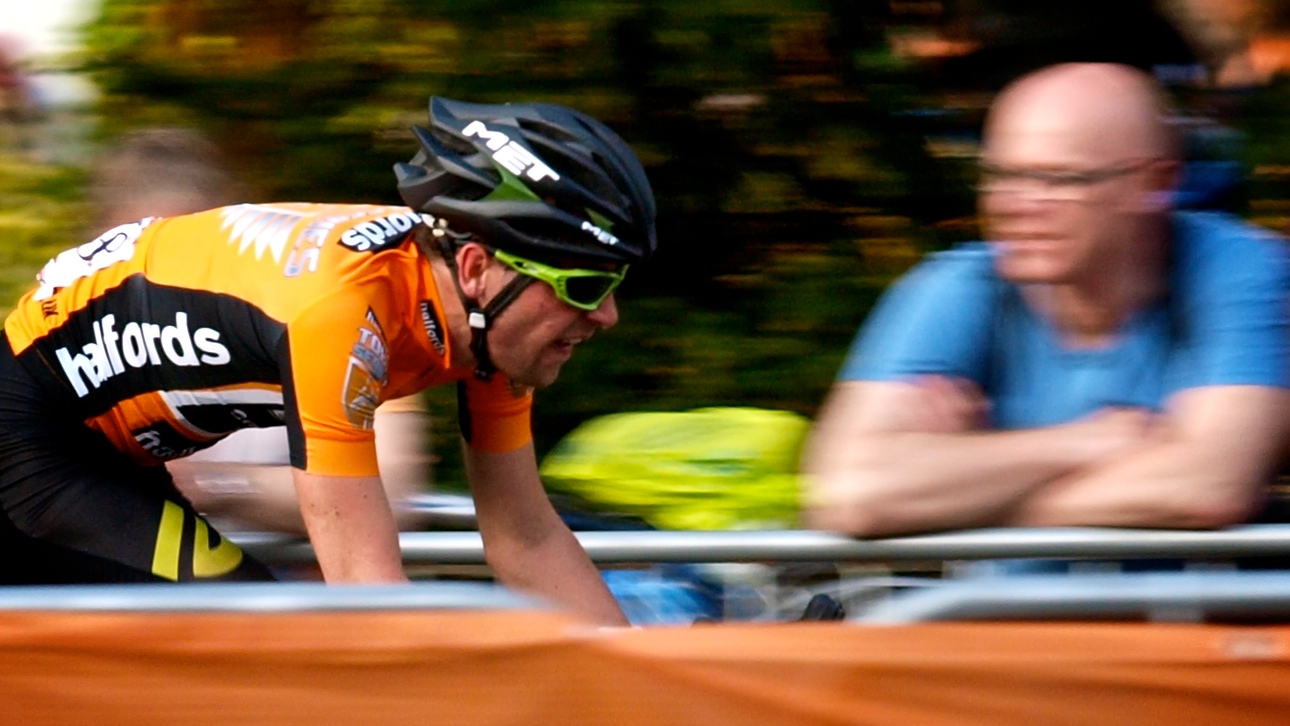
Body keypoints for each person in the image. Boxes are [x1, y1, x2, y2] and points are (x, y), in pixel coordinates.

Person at [0, 97, 656, 626]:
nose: (607, 316)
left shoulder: (485, 336)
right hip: (33, 433)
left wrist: (643, 690)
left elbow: (526, 540)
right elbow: (370, 603)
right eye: (582, 287)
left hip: (105, 450)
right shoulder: (343, 311)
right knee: (259, 636)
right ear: (478, 267)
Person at [802, 63, 1290, 539]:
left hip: (1193, 618)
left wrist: (961, 490)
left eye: (1058, 180)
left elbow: (1208, 486)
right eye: (999, 176)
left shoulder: (1241, 270)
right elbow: (844, 492)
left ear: (1154, 184)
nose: (1013, 207)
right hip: (987, 619)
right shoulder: (957, 286)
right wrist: (1078, 444)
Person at [86, 126, 434, 536]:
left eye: (180, 258)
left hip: (293, 593)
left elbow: (393, 491)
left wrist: (217, 485)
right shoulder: (66, 352)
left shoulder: (334, 322)